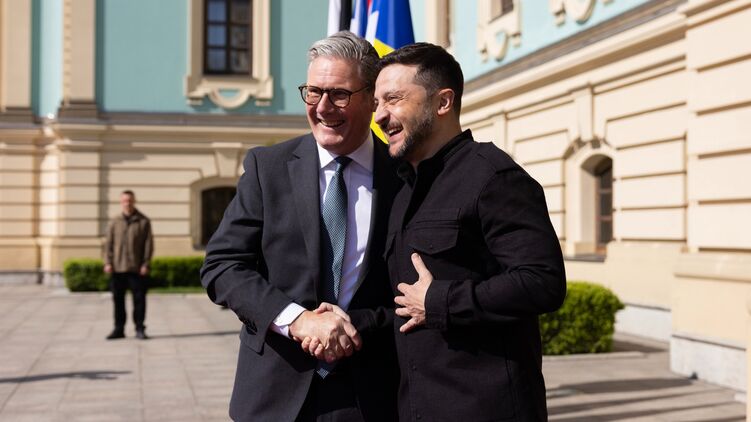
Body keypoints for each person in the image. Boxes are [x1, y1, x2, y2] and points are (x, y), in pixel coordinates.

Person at [200, 31, 400, 422]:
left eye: (339, 94)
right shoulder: (268, 168)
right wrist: (297, 320)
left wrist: (358, 325)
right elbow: (222, 266)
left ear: (371, 98)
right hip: (276, 393)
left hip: (374, 395)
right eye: (313, 92)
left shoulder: (404, 176)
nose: (323, 107)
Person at [374, 42, 567, 421]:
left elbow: (543, 282)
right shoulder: (404, 189)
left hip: (485, 409)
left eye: (393, 99)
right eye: (377, 103)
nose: (379, 115)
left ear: (443, 102)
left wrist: (441, 301)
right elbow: (405, 303)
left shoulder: (494, 176)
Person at [104, 190, 153, 340]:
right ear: (121, 202)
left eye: (130, 200)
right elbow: (108, 244)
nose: (127, 203)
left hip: (137, 268)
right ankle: (119, 329)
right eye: (125, 200)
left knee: (139, 301)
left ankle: (140, 328)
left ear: (134, 201)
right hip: (117, 268)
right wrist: (107, 262)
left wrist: (146, 263)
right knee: (118, 301)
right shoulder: (114, 221)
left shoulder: (144, 221)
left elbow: (148, 245)